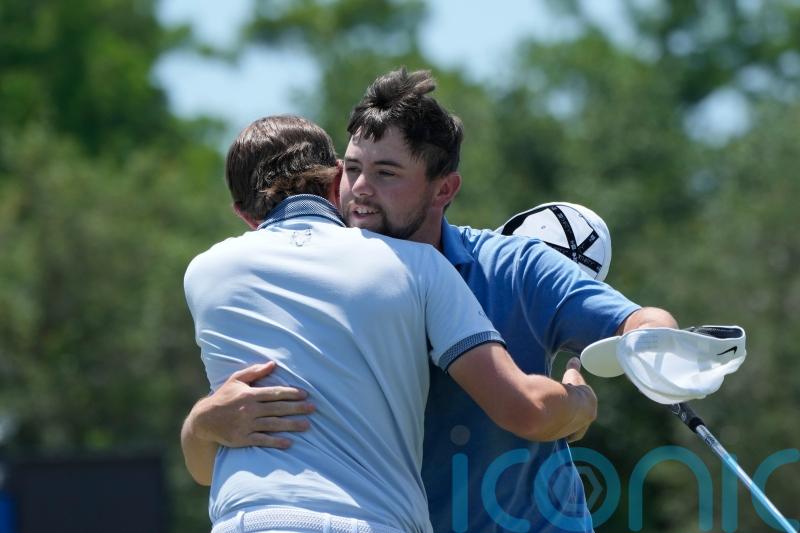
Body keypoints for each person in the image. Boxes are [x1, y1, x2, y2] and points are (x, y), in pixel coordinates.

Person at [184, 69, 678, 532]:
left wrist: (663, 347)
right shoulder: (316, 280)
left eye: (387, 173)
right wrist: (204, 423)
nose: (359, 190)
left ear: (444, 189)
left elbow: (638, 322)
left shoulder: (513, 265)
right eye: (351, 170)